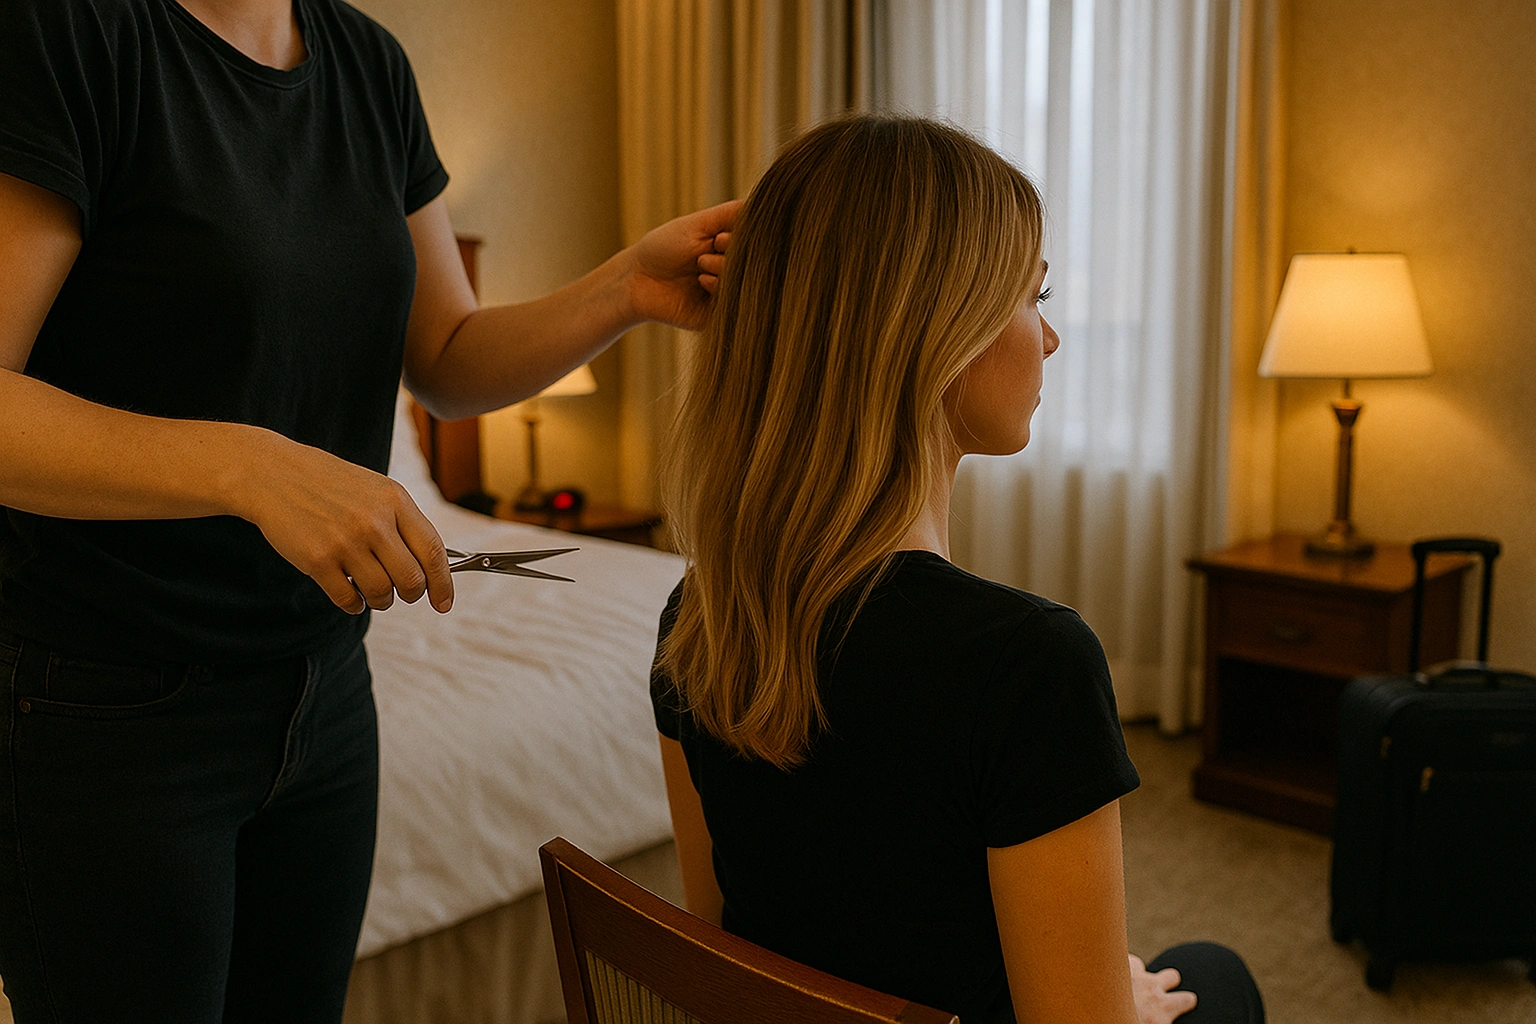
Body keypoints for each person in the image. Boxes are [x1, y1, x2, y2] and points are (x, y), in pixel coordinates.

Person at [0, 0, 734, 1020]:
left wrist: (624, 289)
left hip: (325, 688)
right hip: (109, 703)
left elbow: (446, 357)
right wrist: (247, 468)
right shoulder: (70, 38)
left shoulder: (368, 65)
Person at [649, 115, 1264, 1024]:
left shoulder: (703, 610)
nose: (1050, 340)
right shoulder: (1026, 663)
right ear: (936, 334)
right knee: (1215, 976)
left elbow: (727, 949)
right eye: (1035, 296)